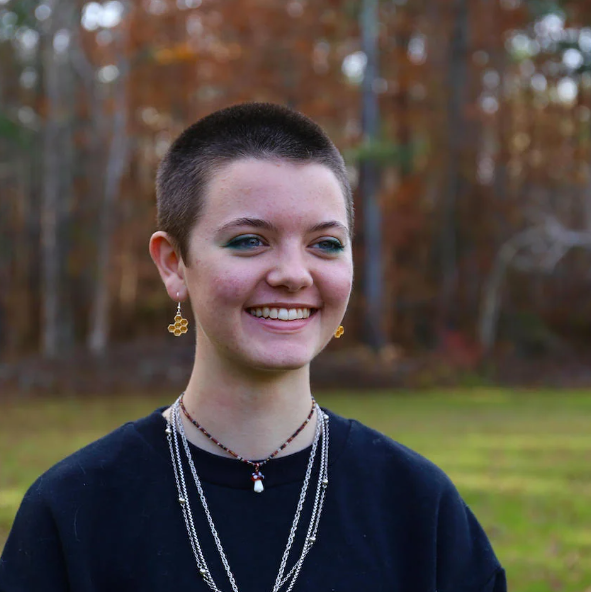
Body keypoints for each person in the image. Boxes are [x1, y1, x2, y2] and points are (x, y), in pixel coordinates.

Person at [0, 103, 507, 592]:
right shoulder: (71, 512)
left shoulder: (420, 509)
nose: (293, 274)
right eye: (249, 240)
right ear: (174, 264)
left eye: (325, 243)